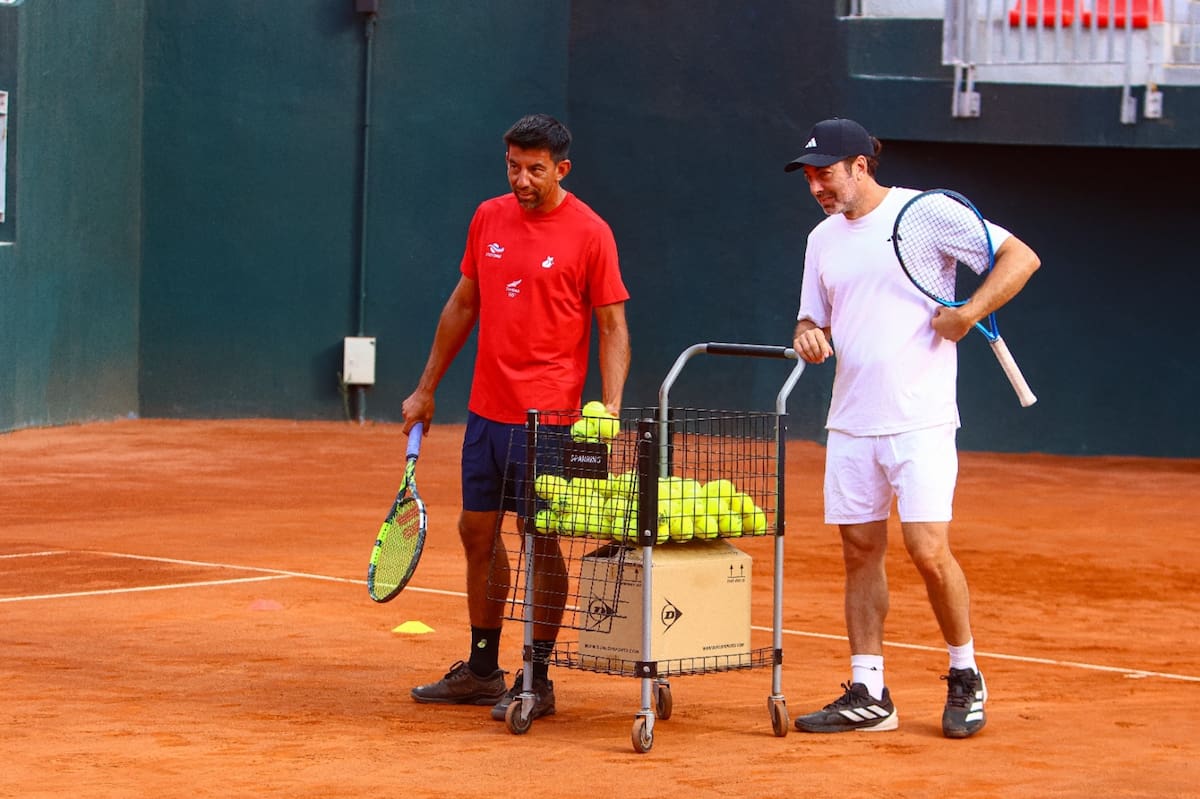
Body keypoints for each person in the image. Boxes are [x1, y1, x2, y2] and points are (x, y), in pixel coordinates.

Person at [785, 117, 1039, 738]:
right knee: (859, 552)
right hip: (851, 421)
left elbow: (1021, 256)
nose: (816, 186)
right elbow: (811, 319)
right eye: (808, 177)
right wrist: (809, 336)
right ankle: (869, 691)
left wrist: (969, 311)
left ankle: (965, 673)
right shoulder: (822, 239)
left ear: (860, 166)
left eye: (825, 173)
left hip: (920, 419)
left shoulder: (923, 214)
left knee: (927, 551)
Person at [401, 113, 631, 723]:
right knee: (476, 532)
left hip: (550, 419)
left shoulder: (591, 232)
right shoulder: (488, 217)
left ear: (562, 169)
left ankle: (538, 674)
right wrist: (425, 389)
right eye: (513, 167)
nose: (521, 180)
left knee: (539, 537)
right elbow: (463, 303)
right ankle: (483, 670)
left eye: (535, 169)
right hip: (486, 412)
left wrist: (609, 405)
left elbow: (612, 326)